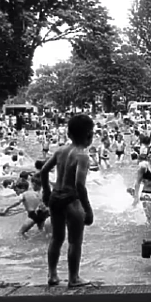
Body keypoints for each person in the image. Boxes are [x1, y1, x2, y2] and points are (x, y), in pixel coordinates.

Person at [40, 114, 95, 288]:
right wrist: (88, 209)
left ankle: (52, 275)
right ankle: (73, 278)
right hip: (71, 200)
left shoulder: (60, 151)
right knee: (75, 241)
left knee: (56, 238)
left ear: (69, 134)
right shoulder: (82, 156)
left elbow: (43, 171)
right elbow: (79, 184)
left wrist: (46, 192)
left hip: (55, 198)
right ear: (89, 136)